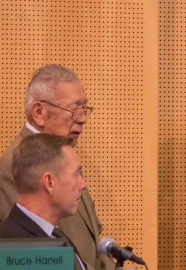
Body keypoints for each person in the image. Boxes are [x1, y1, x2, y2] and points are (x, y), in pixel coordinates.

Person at [0, 64, 112, 270]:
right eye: (74, 109)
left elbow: (91, 233)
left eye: (84, 108)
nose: (82, 118)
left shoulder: (62, 153)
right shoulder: (16, 163)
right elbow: (33, 250)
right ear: (39, 112)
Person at [0, 134, 89, 270]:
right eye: (76, 174)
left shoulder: (56, 236)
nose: (83, 184)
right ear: (49, 182)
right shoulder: (13, 250)